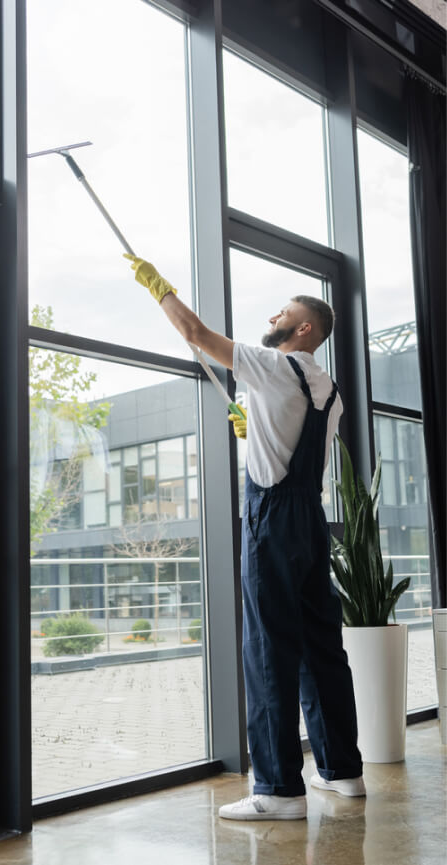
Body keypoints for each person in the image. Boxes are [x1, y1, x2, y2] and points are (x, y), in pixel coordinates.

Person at [124, 254, 366, 821]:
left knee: (268, 649)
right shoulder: (328, 389)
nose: (274, 314)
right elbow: (290, 438)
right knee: (321, 648)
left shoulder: (273, 364)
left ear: (304, 329)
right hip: (310, 519)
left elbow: (195, 333)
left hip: (273, 523)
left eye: (284, 311)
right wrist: (251, 425)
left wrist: (158, 288)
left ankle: (278, 791)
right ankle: (342, 771)